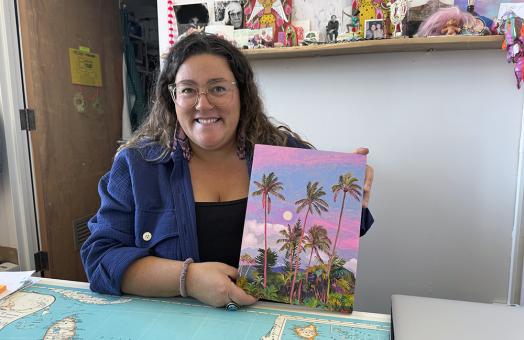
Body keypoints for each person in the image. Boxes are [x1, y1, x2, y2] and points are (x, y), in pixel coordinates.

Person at [80, 33, 375, 310]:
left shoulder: (286, 155)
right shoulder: (137, 166)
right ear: (172, 97)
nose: (203, 103)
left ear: (241, 93)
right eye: (188, 90)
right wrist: (188, 279)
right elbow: (101, 259)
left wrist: (350, 201)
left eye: (218, 88)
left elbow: (329, 247)